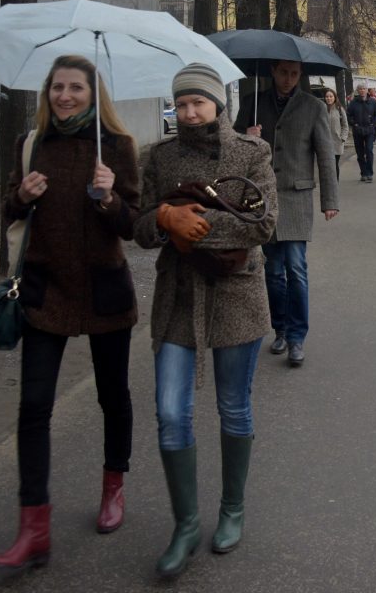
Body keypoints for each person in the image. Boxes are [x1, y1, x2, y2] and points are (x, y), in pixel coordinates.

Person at [0, 54, 139, 570]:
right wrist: (20, 196)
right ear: (47, 93)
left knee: (113, 398)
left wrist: (108, 197)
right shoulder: (31, 146)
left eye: (76, 87)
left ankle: (113, 489)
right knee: (33, 409)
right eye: (58, 87)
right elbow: (8, 209)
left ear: (93, 95)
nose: (65, 95)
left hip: (104, 291)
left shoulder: (117, 147)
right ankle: (33, 528)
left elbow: (134, 226)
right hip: (44, 290)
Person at [134, 63, 278, 577]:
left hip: (236, 296)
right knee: (172, 412)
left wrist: (189, 218)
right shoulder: (160, 155)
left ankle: (232, 511)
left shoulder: (252, 153)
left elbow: (262, 223)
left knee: (233, 406)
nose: (190, 111)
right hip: (176, 298)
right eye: (182, 102)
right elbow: (140, 226)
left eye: (199, 101)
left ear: (218, 103)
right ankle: (186, 524)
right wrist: (161, 218)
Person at [233, 60, 339, 367]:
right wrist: (246, 136)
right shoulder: (253, 103)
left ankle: (296, 338)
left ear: (300, 75)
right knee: (273, 272)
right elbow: (233, 147)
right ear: (272, 72)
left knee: (297, 270)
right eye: (283, 72)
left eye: (294, 73)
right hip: (262, 201)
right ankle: (279, 328)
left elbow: (324, 154)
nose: (288, 79)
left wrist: (330, 199)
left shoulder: (312, 107)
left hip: (297, 197)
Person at [346, 83, 376, 182]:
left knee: (369, 151)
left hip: (369, 131)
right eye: (360, 89)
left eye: (364, 88)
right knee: (360, 153)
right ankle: (363, 173)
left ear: (367, 90)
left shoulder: (373, 102)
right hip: (357, 131)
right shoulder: (353, 103)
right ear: (358, 91)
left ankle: (369, 173)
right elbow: (348, 115)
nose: (362, 90)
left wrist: (373, 124)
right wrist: (354, 124)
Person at [323, 88, 349, 181]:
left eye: (331, 96)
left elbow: (345, 125)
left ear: (334, 97)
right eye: (327, 96)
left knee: (334, 164)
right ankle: (328, 183)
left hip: (336, 142)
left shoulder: (339, 109)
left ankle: (335, 183)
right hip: (324, 142)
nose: (328, 98)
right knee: (326, 165)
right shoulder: (322, 109)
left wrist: (342, 138)